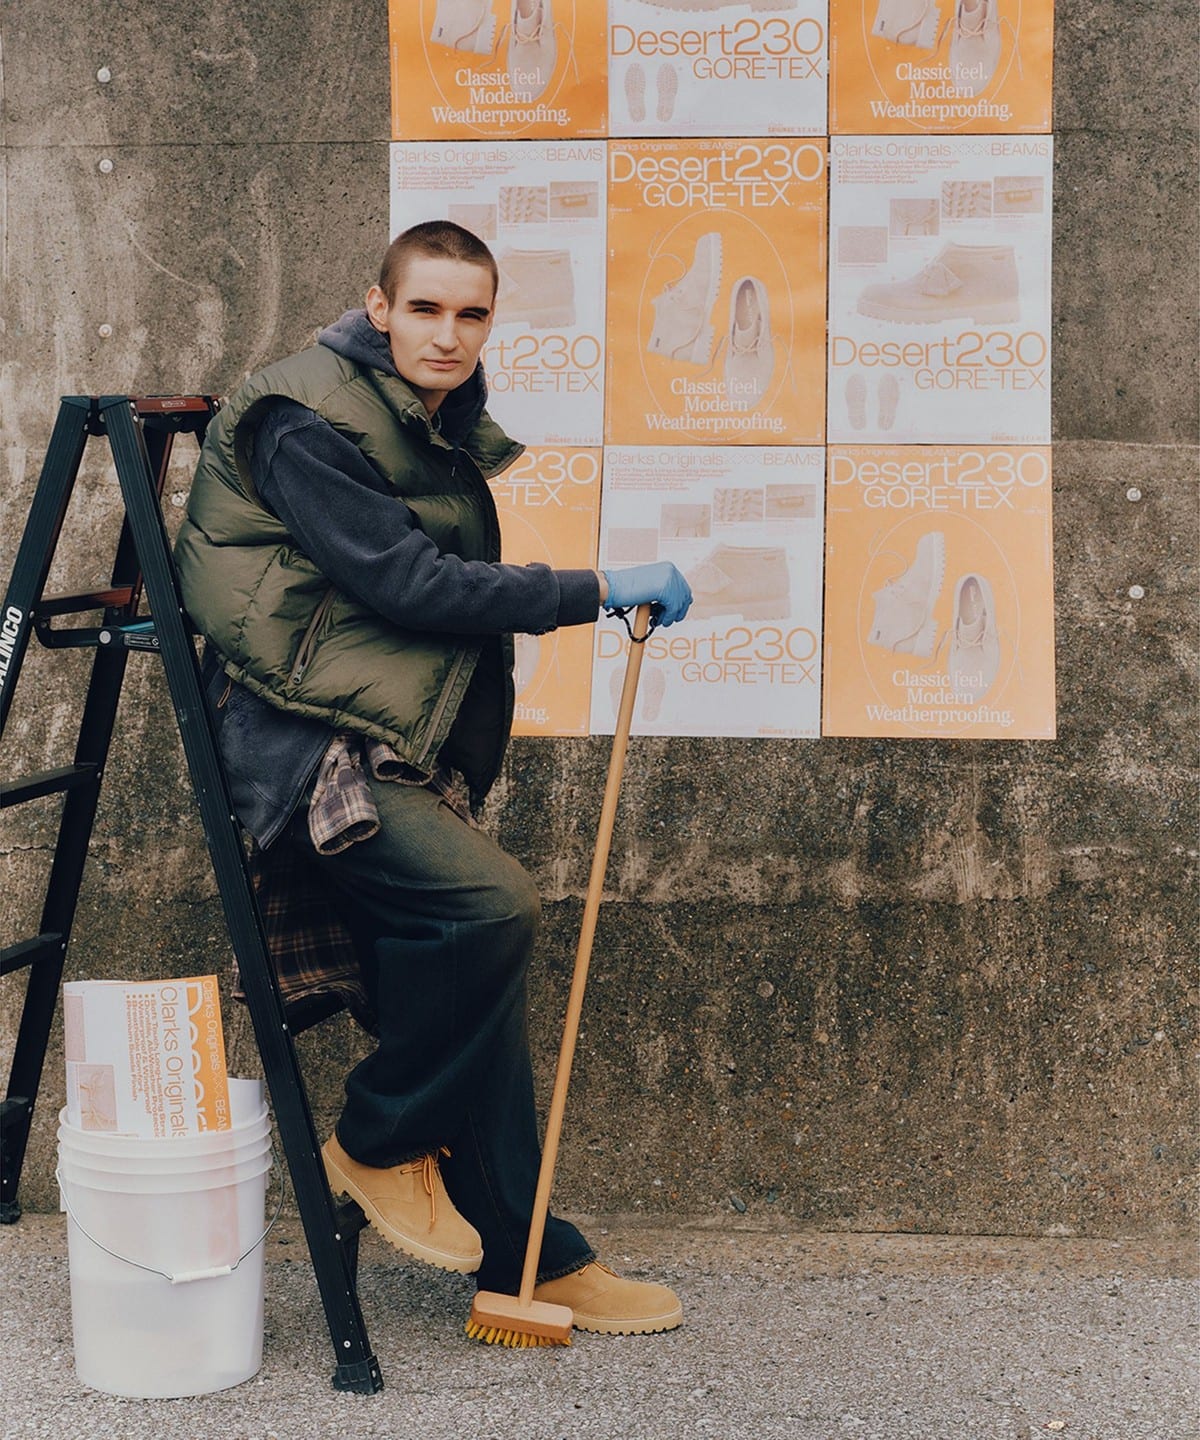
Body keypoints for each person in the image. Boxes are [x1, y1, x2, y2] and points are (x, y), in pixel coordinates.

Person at [175, 220, 692, 1336]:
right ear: (378, 306)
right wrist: (597, 585)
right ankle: (379, 1139)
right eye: (426, 309)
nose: (449, 335)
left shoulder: (427, 421)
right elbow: (409, 583)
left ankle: (530, 1259)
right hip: (299, 744)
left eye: (472, 314)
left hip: (370, 734)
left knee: (478, 988)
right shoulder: (300, 420)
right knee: (487, 906)